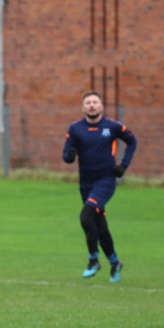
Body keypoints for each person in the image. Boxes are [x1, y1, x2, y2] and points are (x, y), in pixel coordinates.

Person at [61, 90, 137, 282]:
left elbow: (132, 141)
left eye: (95, 102)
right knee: (99, 226)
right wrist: (70, 156)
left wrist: (124, 165)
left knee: (85, 217)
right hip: (85, 183)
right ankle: (114, 262)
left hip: (106, 181)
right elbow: (66, 155)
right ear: (83, 107)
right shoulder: (75, 128)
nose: (92, 105)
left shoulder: (112, 126)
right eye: (88, 103)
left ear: (102, 106)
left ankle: (93, 259)